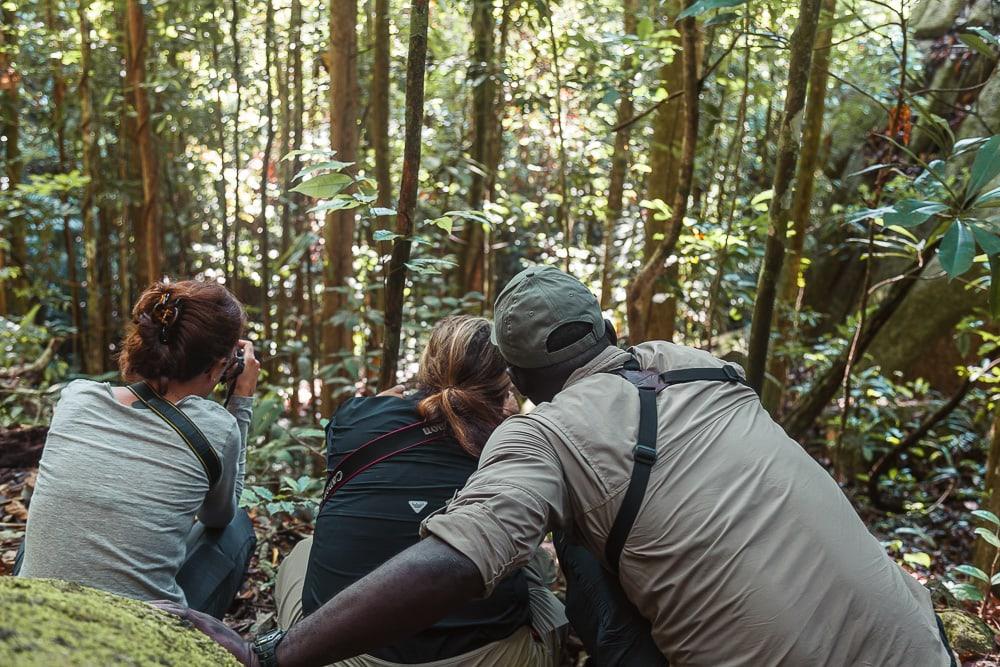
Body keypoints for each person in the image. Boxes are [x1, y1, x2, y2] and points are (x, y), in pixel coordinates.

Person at [167, 266, 955, 667]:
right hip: (920, 645)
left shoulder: (544, 438)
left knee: (590, 544)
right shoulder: (700, 366)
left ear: (520, 377)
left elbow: (453, 560)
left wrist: (273, 653)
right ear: (605, 324)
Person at [272, 315, 565, 666]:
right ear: (507, 381)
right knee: (542, 586)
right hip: (489, 658)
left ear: (430, 364)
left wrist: (371, 408)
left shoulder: (353, 417)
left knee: (304, 551)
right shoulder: (515, 439)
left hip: (343, 657)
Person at [19, 279, 260, 619]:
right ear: (219, 365)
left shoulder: (77, 397)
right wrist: (241, 401)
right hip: (139, 630)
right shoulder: (217, 427)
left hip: (36, 613)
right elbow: (218, 516)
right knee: (237, 527)